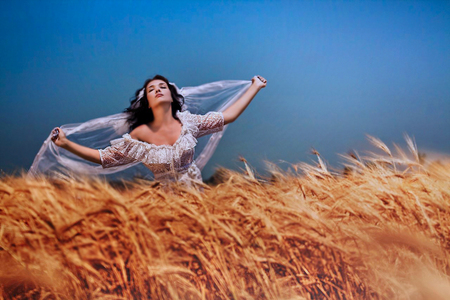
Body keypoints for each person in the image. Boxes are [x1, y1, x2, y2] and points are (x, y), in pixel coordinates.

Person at [43, 75, 266, 185]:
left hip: (196, 195)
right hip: (165, 202)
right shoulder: (139, 134)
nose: (158, 90)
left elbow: (229, 116)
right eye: (152, 89)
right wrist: (65, 144)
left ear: (172, 95)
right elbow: (105, 158)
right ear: (147, 101)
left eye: (163, 87)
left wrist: (254, 87)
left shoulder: (189, 124)